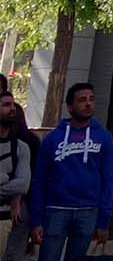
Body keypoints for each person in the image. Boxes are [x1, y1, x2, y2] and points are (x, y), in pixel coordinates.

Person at [31, 82, 113, 261]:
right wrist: (36, 220)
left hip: (88, 211)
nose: (88, 104)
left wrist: (104, 221)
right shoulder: (52, 139)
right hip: (56, 210)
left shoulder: (104, 138)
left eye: (91, 99)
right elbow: (39, 180)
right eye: (82, 100)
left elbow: (108, 179)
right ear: (70, 107)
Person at [0, 92, 30, 261]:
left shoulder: (21, 147)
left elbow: (23, 184)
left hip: (5, 219)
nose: (12, 108)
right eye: (6, 105)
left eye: (13, 104)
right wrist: (5, 177)